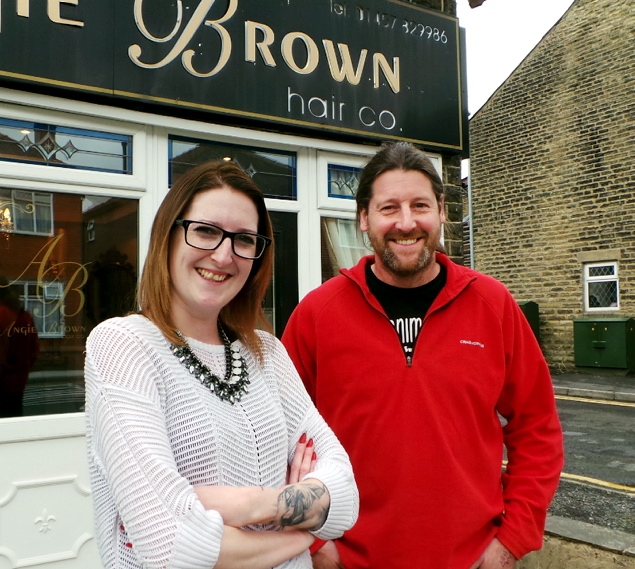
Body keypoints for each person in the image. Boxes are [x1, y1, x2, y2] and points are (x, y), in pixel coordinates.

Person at [281, 142, 564, 569]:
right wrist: (314, 544)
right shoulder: (316, 314)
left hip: (469, 560)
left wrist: (512, 540)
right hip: (348, 562)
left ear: (443, 212)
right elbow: (277, 436)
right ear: (363, 218)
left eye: (420, 205)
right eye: (389, 208)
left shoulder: (493, 305)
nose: (407, 222)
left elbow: (538, 428)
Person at [84, 161, 359, 569]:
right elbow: (171, 546)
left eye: (245, 240)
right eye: (206, 231)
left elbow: (346, 499)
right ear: (169, 236)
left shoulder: (266, 351)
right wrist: (299, 527)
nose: (224, 255)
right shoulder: (124, 346)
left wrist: (241, 506)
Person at [0, 280, 39, 418]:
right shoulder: (25, 316)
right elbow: (34, 350)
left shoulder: (2, 314)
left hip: (4, 381)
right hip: (19, 380)